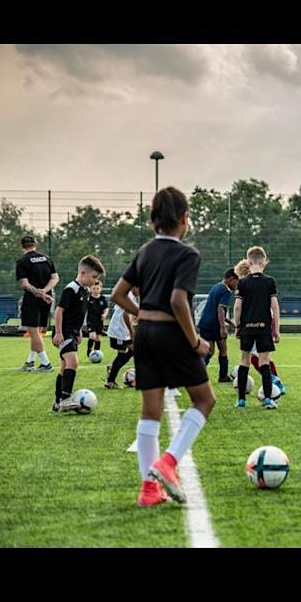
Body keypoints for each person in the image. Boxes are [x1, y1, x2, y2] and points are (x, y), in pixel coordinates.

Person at [111, 186, 215, 508]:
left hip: (145, 334)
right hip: (171, 332)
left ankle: (149, 491)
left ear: (154, 218)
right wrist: (195, 341)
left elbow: (118, 294)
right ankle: (169, 462)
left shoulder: (144, 252)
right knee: (204, 400)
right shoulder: (187, 254)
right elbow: (178, 300)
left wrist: (141, 314)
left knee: (150, 411)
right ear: (184, 218)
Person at [52, 255, 105, 412]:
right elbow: (59, 311)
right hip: (64, 332)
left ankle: (57, 402)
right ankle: (65, 399)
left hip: (73, 332)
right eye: (93, 277)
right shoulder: (71, 289)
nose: (95, 281)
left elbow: (80, 313)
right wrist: (59, 333)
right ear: (82, 273)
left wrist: (80, 331)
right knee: (73, 363)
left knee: (64, 367)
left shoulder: (85, 290)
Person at [233, 246, 281, 409]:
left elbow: (237, 307)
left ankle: (241, 400)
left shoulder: (242, 282)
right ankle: (268, 399)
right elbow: (275, 306)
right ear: (264, 262)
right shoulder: (269, 281)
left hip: (247, 327)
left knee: (244, 361)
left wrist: (238, 325)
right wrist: (277, 329)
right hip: (264, 327)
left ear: (248, 261)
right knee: (264, 361)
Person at [15, 233, 58, 372]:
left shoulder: (22, 262)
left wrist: (39, 293)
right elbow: (55, 278)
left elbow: (25, 284)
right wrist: (44, 292)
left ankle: (46, 364)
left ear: (22, 246)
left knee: (34, 333)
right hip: (47, 299)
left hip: (32, 300)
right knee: (38, 332)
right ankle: (30, 361)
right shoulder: (47, 259)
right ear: (35, 244)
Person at [198, 268, 238, 383]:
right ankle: (223, 376)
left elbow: (215, 308)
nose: (237, 284)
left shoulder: (215, 287)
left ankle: (196, 374)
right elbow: (220, 308)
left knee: (209, 351)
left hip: (205, 322)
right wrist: (223, 327)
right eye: (236, 281)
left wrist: (229, 322)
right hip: (215, 324)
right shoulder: (226, 290)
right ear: (231, 279)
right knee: (223, 350)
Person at [105, 288, 138, 389]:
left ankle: (113, 367)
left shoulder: (130, 295)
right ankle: (110, 381)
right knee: (121, 354)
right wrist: (132, 332)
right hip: (118, 330)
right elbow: (125, 315)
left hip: (122, 331)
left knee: (133, 350)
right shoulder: (128, 296)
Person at [84, 278, 108, 360]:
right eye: (93, 288)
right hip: (91, 320)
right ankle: (89, 349)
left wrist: (104, 314)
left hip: (99, 321)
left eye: (97, 288)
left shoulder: (103, 298)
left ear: (100, 289)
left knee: (98, 338)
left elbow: (106, 308)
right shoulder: (88, 298)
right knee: (92, 336)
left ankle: (97, 354)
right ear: (90, 289)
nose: (95, 290)